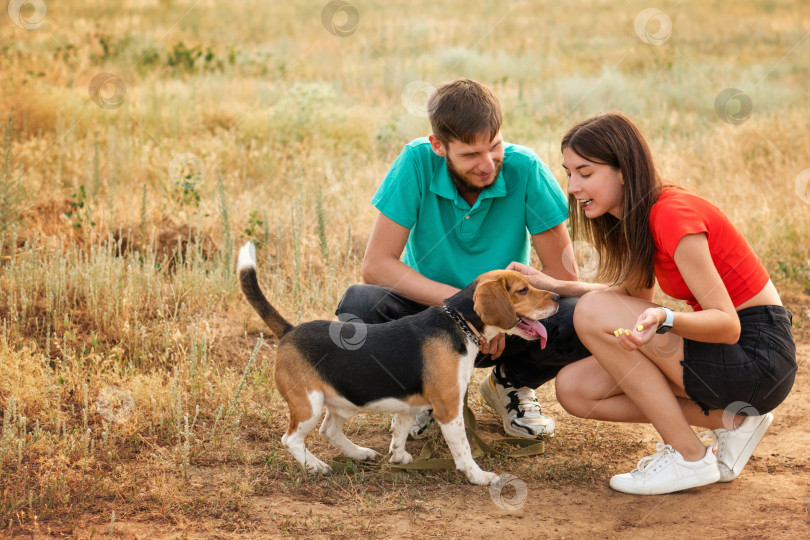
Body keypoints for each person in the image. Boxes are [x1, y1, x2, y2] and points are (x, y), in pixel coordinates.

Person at [509, 113, 796, 495]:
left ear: (624, 170)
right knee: (576, 389)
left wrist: (666, 318)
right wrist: (557, 284)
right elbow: (632, 297)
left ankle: (689, 457)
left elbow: (728, 324)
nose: (574, 187)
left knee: (592, 312)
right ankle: (735, 420)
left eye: (586, 172)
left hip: (758, 356)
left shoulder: (670, 213)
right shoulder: (638, 218)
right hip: (733, 358)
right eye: (569, 173)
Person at [336, 79, 590, 440]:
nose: (488, 164)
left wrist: (505, 318)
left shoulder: (526, 168)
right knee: (359, 303)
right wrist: (470, 310)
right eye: (471, 155)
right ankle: (422, 394)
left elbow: (562, 274)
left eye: (495, 146)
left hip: (509, 320)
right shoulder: (415, 162)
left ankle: (510, 385)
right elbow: (377, 264)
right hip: (429, 321)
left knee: (580, 311)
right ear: (438, 146)